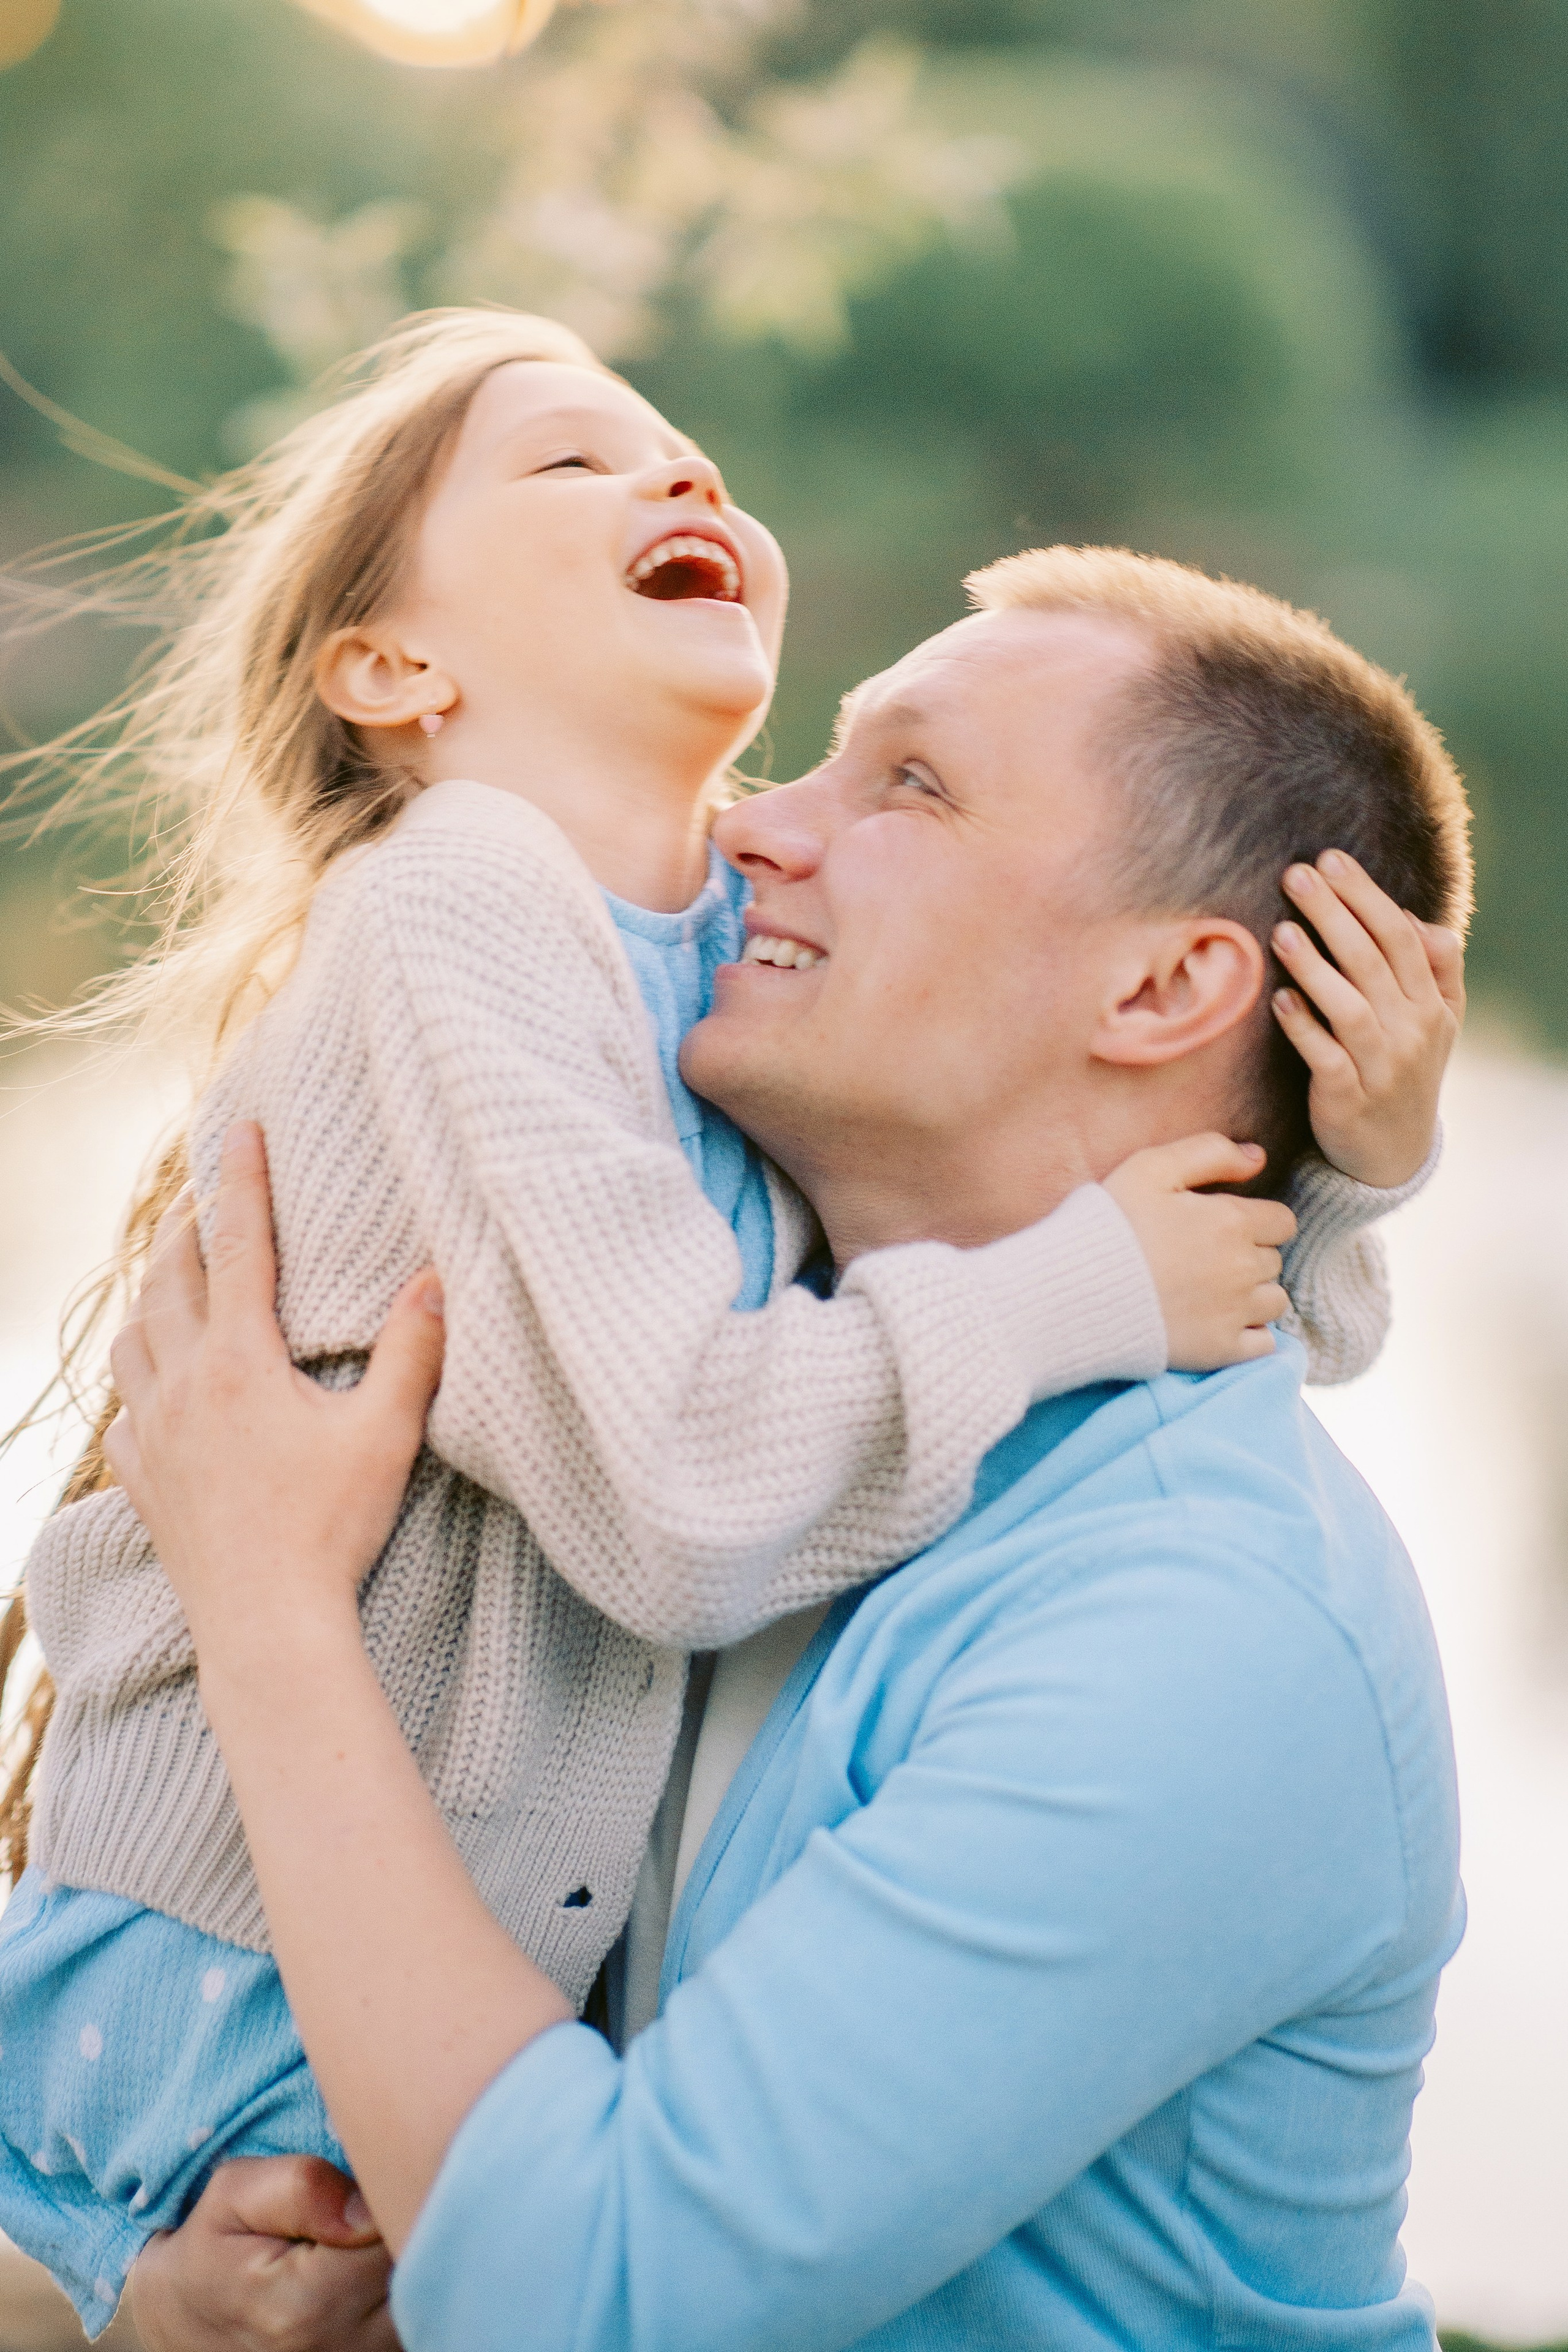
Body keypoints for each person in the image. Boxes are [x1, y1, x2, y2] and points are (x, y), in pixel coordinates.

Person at [0, 311, 1364, 2335]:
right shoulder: (463, 897)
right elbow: (690, 1487)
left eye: (695, 455)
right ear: (393, 671)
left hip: (386, 1927)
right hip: (234, 1951)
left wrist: (1343, 1143)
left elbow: (1120, 1246)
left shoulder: (710, 963)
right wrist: (1085, 1289)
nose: (683, 478)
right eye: (572, 464)